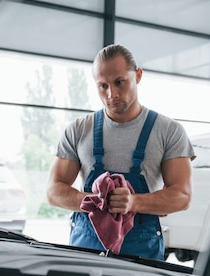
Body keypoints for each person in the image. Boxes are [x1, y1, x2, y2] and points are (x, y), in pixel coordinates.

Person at [46, 44, 195, 260]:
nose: (112, 94)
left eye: (119, 82)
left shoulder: (169, 131)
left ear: (138, 75)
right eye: (103, 86)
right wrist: (93, 201)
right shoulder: (78, 130)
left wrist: (133, 203)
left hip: (141, 254)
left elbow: (182, 195)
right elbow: (53, 191)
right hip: (85, 251)